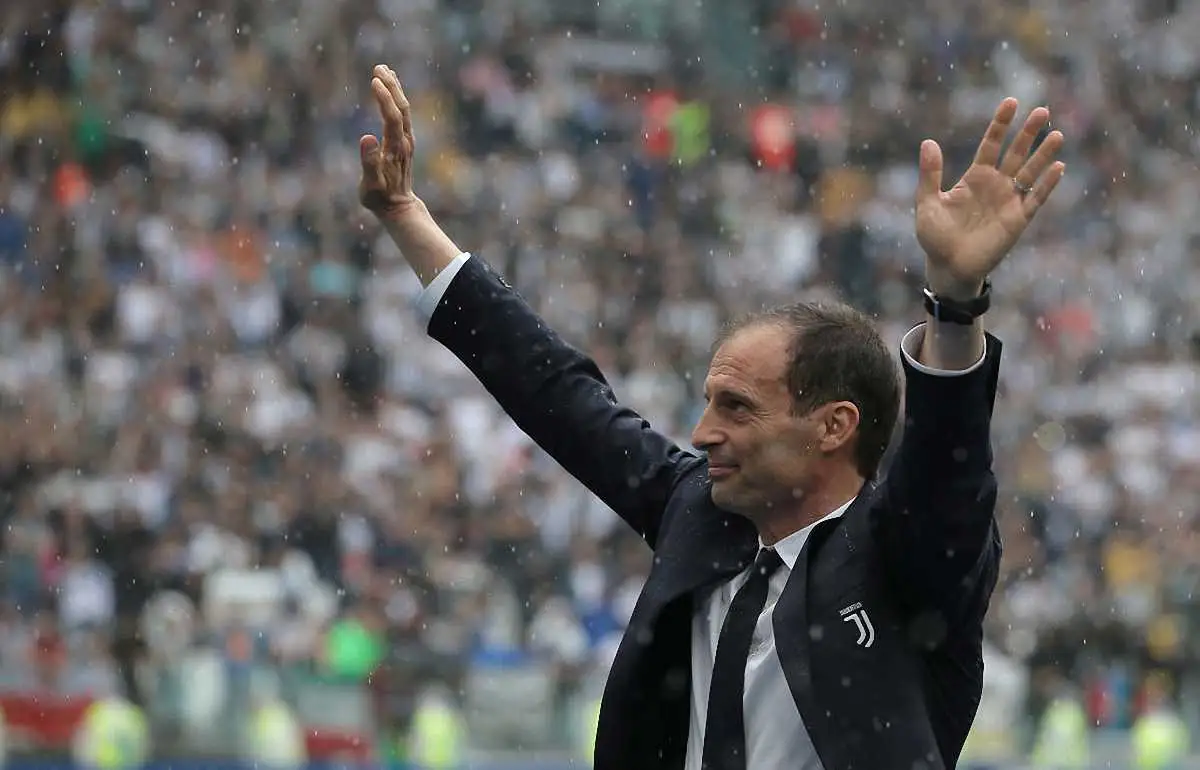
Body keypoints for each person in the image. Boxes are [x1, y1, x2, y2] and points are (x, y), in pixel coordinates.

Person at [357, 64, 1065, 770]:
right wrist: (407, 218)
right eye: (708, 403)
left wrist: (955, 302)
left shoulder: (906, 556)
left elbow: (946, 463)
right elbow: (557, 393)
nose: (702, 434)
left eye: (737, 408)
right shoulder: (700, 513)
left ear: (833, 426)